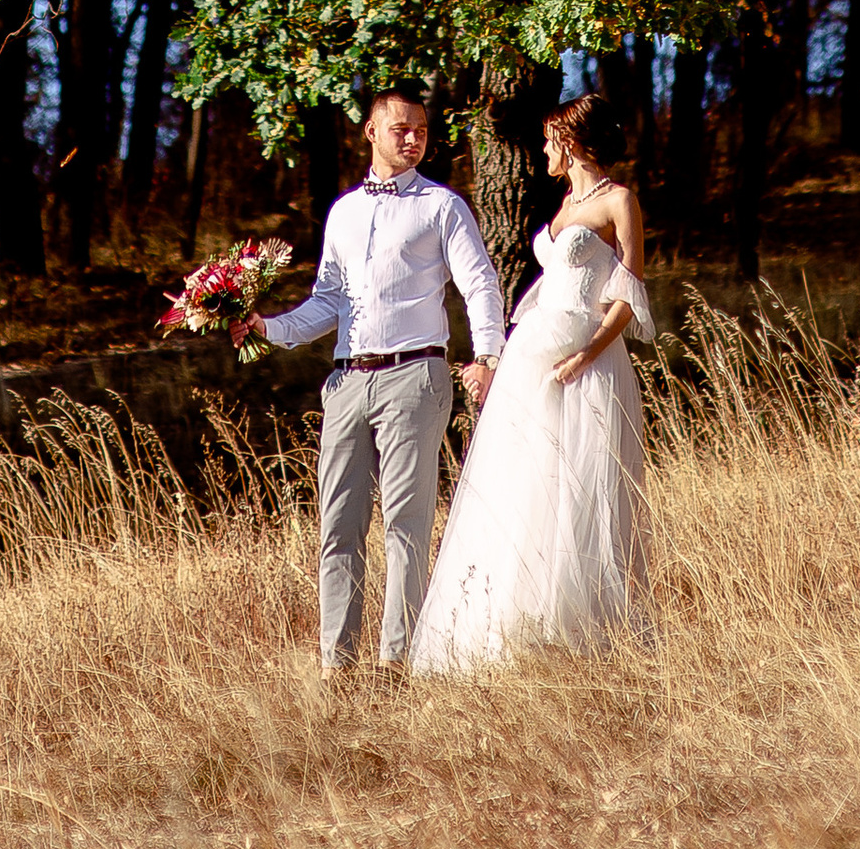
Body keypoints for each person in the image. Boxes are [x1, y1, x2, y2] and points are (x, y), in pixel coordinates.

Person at [257, 86, 506, 673]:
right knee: (338, 526)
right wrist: (264, 328)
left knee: (405, 524)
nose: (414, 138)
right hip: (345, 384)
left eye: (421, 129)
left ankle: (399, 666)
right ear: (371, 131)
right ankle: (336, 668)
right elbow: (326, 303)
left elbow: (480, 285)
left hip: (414, 377)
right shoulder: (343, 211)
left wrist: (488, 357)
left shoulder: (442, 207)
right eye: (401, 129)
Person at [408, 89, 656, 674]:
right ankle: (514, 626)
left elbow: (630, 294)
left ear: (569, 143)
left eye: (549, 140)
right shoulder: (566, 202)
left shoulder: (619, 200)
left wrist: (589, 353)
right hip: (535, 353)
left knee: (579, 483)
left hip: (584, 361)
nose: (543, 149)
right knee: (524, 481)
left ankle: (581, 627)